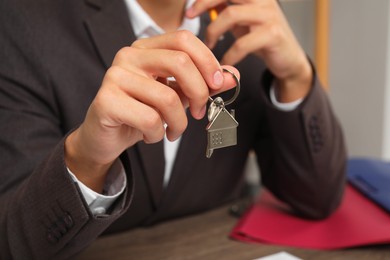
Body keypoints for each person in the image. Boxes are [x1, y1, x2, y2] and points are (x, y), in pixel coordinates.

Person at [0, 0, 347, 258]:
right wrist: (85, 159)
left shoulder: (246, 17)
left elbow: (318, 197)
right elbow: (13, 243)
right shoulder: (23, 21)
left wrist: (296, 76)